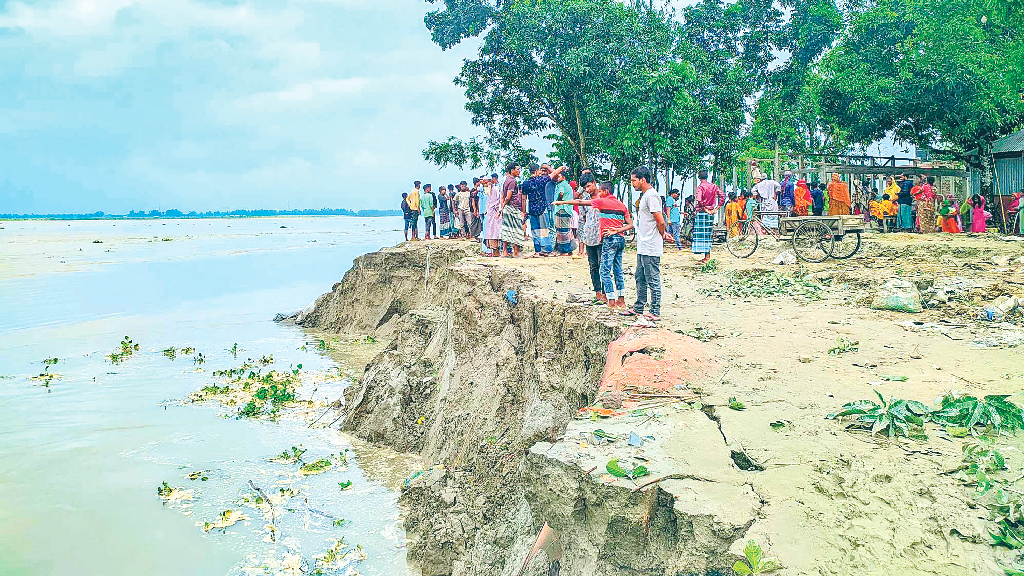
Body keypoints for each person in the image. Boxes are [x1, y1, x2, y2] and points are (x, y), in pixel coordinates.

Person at [553, 181, 633, 309]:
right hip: (621, 240)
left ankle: (611, 301)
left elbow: (580, 202)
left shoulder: (603, 201)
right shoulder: (621, 205)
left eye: (600, 191)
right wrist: (618, 230)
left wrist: (562, 202)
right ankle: (621, 301)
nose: (599, 194)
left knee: (604, 271)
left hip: (609, 239)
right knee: (618, 271)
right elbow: (630, 224)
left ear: (606, 192)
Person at [622, 166, 672, 321]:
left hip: (651, 245)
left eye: (634, 180)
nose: (632, 184)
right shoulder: (645, 196)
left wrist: (662, 234)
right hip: (643, 244)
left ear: (642, 179)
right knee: (640, 277)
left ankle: (655, 311)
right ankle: (638, 307)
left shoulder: (651, 196)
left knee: (652, 278)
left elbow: (660, 220)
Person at [521, 163, 567, 257]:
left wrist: (524, 211)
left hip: (532, 209)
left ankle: (537, 251)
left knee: (535, 231)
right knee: (544, 230)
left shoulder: (526, 183)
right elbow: (554, 174)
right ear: (537, 171)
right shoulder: (541, 180)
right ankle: (547, 250)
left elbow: (523, 198)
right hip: (541, 208)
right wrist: (561, 168)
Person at [576, 173, 605, 304]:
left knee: (603, 265)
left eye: (588, 186)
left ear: (594, 182)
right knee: (593, 266)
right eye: (585, 188)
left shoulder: (604, 197)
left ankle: (606, 293)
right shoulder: (585, 200)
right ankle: (597, 292)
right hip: (589, 236)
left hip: (602, 236)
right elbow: (583, 218)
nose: (587, 190)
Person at [693, 170, 725, 264]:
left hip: (703, 212)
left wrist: (704, 207)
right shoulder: (714, 186)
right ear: (707, 176)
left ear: (699, 177)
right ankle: (707, 256)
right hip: (711, 213)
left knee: (701, 235)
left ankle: (706, 257)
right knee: (708, 235)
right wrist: (717, 208)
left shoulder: (700, 187)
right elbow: (722, 196)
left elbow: (699, 200)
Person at [499, 163, 526, 258]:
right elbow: (508, 196)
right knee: (516, 230)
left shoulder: (506, 180)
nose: (519, 171)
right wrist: (505, 204)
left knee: (506, 229)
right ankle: (515, 252)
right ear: (512, 170)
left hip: (507, 207)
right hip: (513, 207)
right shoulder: (513, 181)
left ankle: (504, 251)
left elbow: (503, 195)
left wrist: (502, 207)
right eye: (517, 169)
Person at [552, 170, 576, 256]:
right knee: (567, 229)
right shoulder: (568, 185)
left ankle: (565, 250)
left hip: (562, 208)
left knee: (562, 230)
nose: (557, 178)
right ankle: (569, 249)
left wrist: (558, 201)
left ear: (563, 177)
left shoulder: (561, 185)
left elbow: (561, 193)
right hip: (568, 209)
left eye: (559, 176)